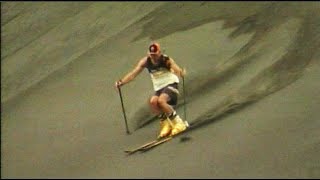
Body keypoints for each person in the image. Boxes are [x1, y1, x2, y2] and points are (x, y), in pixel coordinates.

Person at [115, 42, 188, 139]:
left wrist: (181, 73)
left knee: (161, 101)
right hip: (159, 87)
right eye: (151, 54)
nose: (153, 56)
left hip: (171, 84)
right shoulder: (145, 62)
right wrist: (121, 82)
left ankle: (179, 123)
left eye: (155, 54)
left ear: (159, 52)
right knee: (153, 102)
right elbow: (133, 74)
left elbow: (176, 69)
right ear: (148, 54)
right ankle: (166, 125)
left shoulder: (165, 60)